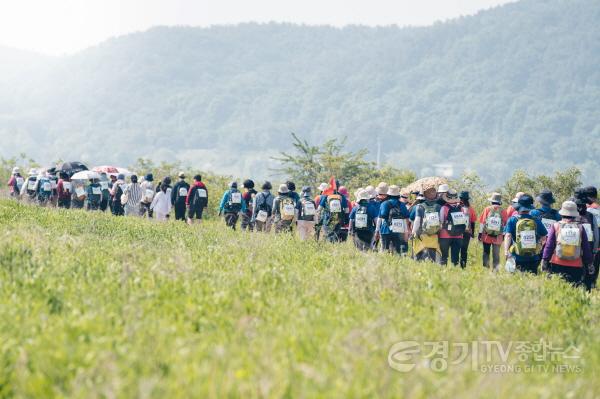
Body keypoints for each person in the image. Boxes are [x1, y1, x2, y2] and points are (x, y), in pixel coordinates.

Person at [541, 201, 594, 287]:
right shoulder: (580, 227)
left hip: (557, 263)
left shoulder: (556, 226)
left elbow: (549, 246)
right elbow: (586, 248)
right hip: (576, 265)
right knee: (573, 289)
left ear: (562, 213)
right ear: (574, 214)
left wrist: (545, 260)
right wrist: (589, 264)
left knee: (557, 288)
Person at [504, 194, 548, 274]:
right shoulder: (536, 220)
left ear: (519, 207)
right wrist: (538, 244)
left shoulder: (512, 220)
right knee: (532, 279)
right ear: (530, 207)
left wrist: (506, 251)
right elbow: (544, 236)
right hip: (533, 257)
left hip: (517, 256)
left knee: (517, 279)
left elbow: (508, 236)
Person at [478, 193, 508, 270]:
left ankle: (486, 269)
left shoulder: (487, 209)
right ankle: (495, 270)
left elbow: (482, 222)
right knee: (496, 254)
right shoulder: (503, 211)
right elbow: (505, 225)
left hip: (486, 235)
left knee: (486, 252)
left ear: (492, 201)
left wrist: (480, 233)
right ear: (499, 202)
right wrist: (504, 236)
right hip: (498, 236)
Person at [410, 186, 442, 262]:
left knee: (420, 257)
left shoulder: (420, 206)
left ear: (424, 194)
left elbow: (417, 221)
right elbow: (441, 222)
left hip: (421, 235)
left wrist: (413, 233)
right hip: (434, 235)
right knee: (433, 258)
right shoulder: (439, 207)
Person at [376, 185, 410, 255]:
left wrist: (377, 231)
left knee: (384, 250)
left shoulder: (384, 204)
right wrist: (406, 232)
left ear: (388, 194)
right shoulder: (402, 205)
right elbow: (406, 218)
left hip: (385, 230)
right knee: (397, 252)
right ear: (398, 195)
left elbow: (380, 218)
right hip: (399, 230)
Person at [438, 189, 468, 267]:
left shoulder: (444, 208)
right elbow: (465, 221)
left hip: (445, 235)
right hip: (458, 235)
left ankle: (443, 272)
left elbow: (441, 221)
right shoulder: (461, 208)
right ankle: (454, 273)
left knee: (444, 256)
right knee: (455, 257)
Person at [582, 186, 600, 289]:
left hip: (588, 242)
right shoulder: (599, 209)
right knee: (595, 264)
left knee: (586, 263)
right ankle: (592, 283)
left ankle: (585, 283)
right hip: (598, 243)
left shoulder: (585, 209)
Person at [458, 191, 477, 268]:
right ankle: (463, 266)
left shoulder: (457, 207)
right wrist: (472, 233)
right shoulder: (471, 209)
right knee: (464, 250)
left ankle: (455, 265)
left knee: (456, 249)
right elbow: (473, 222)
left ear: (461, 199)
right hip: (467, 232)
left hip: (458, 232)